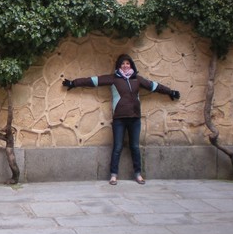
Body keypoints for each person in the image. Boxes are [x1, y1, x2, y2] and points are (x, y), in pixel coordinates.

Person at [62, 54, 180, 185]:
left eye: (127, 63)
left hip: (135, 118)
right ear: (119, 66)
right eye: (122, 64)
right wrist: (74, 83)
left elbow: (154, 86)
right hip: (119, 119)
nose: (125, 66)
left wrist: (171, 92)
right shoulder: (113, 79)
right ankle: (113, 175)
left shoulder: (137, 79)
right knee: (117, 147)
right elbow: (94, 80)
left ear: (131, 65)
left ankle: (138, 174)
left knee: (134, 147)